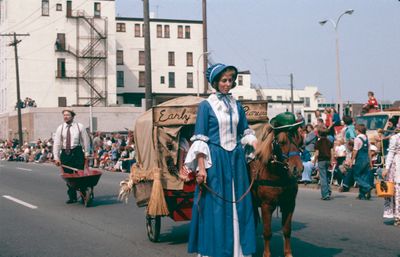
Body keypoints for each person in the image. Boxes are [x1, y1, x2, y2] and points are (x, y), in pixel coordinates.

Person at [184, 63, 258, 257]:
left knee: (240, 204)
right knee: (216, 207)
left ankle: (238, 252)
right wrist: (201, 168)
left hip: (236, 160)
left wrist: (257, 146)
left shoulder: (237, 105)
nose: (228, 83)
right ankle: (215, 251)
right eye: (224, 80)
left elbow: (245, 132)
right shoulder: (206, 106)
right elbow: (200, 139)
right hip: (216, 160)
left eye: (230, 80)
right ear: (215, 82)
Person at [53, 108, 90, 204]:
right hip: (66, 153)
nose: (65, 117)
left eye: (68, 115)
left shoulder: (79, 126)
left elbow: (86, 141)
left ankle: (84, 196)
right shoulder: (60, 128)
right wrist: (56, 157)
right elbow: (57, 143)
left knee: (80, 175)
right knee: (69, 177)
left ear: (73, 116)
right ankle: (72, 197)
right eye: (64, 115)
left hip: (77, 152)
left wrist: (87, 154)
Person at [349, 124, 373, 200]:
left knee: (356, 175)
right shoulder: (366, 138)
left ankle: (367, 187)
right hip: (366, 159)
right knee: (364, 176)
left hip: (360, 159)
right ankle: (361, 195)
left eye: (356, 130)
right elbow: (369, 151)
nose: (355, 131)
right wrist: (370, 161)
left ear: (358, 131)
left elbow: (355, 150)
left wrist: (351, 160)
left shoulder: (357, 139)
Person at [382, 129, 400, 225]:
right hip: (397, 167)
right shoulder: (395, 138)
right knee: (397, 192)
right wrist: (386, 168)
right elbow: (391, 153)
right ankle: (398, 216)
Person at [313, 128, 334, 200]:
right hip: (328, 160)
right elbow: (332, 152)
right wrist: (332, 160)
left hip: (321, 160)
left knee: (322, 177)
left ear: (319, 134)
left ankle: (325, 195)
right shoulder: (329, 142)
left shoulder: (318, 143)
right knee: (326, 176)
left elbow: (317, 154)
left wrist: (314, 161)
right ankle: (328, 190)